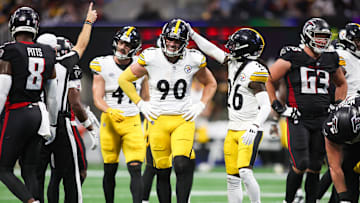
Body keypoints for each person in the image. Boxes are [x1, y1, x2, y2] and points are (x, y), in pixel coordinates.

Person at [118, 19, 217, 203]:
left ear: (185, 43)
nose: (172, 44)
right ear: (163, 38)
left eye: (177, 41)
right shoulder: (151, 56)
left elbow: (211, 83)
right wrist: (140, 103)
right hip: (157, 119)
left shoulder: (193, 58)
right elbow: (124, 79)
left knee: (181, 163)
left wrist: (201, 104)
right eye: (170, 39)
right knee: (161, 170)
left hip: (183, 118)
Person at [265, 17, 347, 203]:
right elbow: (269, 78)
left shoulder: (330, 58)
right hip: (298, 117)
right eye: (318, 36)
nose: (322, 41)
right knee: (300, 164)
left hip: (322, 117)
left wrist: (338, 104)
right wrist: (275, 103)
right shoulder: (294, 55)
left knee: (315, 166)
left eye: (325, 37)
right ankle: (288, 199)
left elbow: (341, 83)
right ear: (307, 35)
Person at [188, 23, 271, 202]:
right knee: (232, 178)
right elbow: (211, 49)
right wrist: (193, 35)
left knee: (245, 172)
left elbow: (266, 106)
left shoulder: (254, 71)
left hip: (249, 128)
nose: (231, 48)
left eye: (236, 45)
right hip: (233, 128)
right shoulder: (234, 62)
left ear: (246, 49)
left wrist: (255, 126)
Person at [0, 6, 58, 203]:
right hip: (38, 114)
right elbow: (52, 95)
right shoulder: (48, 52)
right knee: (30, 170)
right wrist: (52, 123)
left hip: (16, 112)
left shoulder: (10, 50)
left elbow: (3, 89)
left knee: (3, 169)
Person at [36, 34, 98, 203]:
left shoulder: (34, 65)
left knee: (39, 175)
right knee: (72, 174)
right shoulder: (66, 67)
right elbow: (73, 103)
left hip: (37, 120)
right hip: (63, 124)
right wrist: (88, 125)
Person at [90, 26, 147, 203]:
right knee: (110, 168)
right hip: (110, 121)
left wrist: (151, 119)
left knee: (136, 167)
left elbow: (146, 98)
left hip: (133, 120)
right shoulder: (103, 64)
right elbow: (97, 98)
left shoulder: (141, 65)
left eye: (128, 45)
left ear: (135, 48)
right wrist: (109, 110)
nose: (123, 47)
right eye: (122, 42)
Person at [317, 23, 360, 202]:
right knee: (342, 164)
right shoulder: (341, 56)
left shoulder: (353, 57)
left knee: (343, 165)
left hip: (352, 112)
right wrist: (337, 106)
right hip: (346, 115)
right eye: (358, 41)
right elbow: (335, 83)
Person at [322, 100, 360, 203]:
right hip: (347, 147)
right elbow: (335, 168)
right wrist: (344, 198)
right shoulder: (330, 129)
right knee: (346, 169)